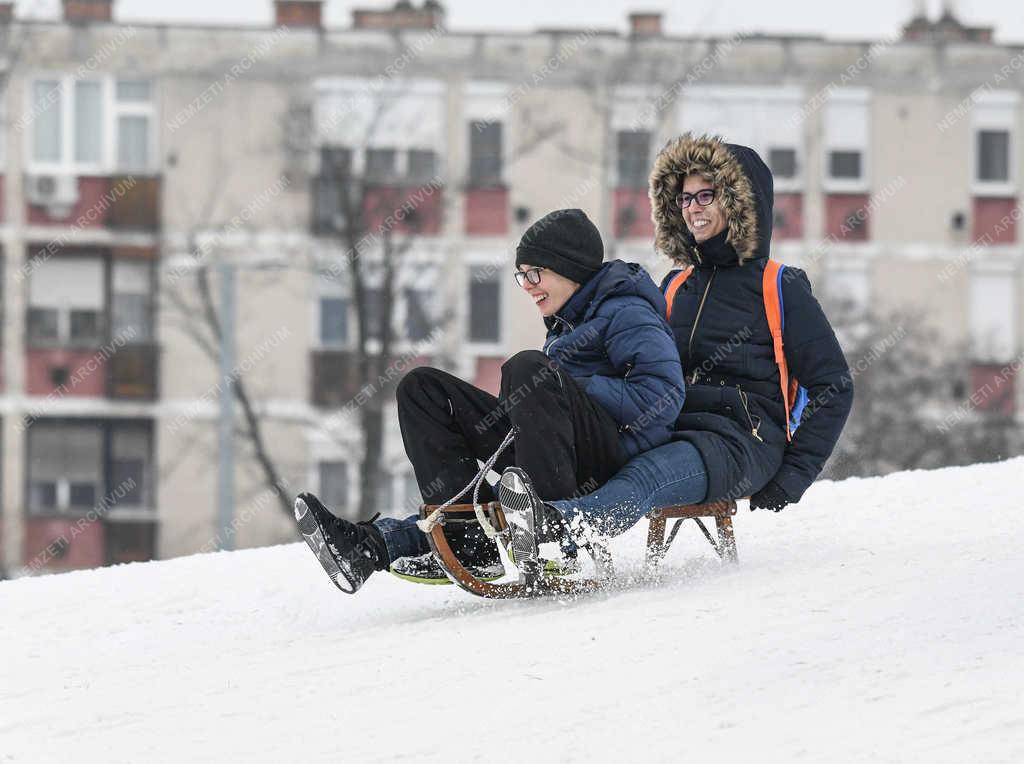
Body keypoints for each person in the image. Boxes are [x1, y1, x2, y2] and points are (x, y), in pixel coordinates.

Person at [295, 208, 685, 593]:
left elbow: (662, 396)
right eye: (522, 275)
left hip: (606, 454)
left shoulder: (627, 313)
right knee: (423, 388)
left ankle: (547, 536)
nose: (528, 284)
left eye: (536, 273)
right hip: (557, 445)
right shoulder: (568, 321)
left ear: (570, 268)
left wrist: (568, 385)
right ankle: (465, 542)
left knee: (527, 369)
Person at [499, 134, 855, 553]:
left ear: (741, 202)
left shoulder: (779, 286)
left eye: (708, 195)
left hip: (743, 442)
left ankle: (559, 529)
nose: (694, 207)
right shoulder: (674, 286)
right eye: (685, 199)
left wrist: (794, 475)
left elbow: (833, 385)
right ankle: (465, 530)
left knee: (645, 476)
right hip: (668, 427)